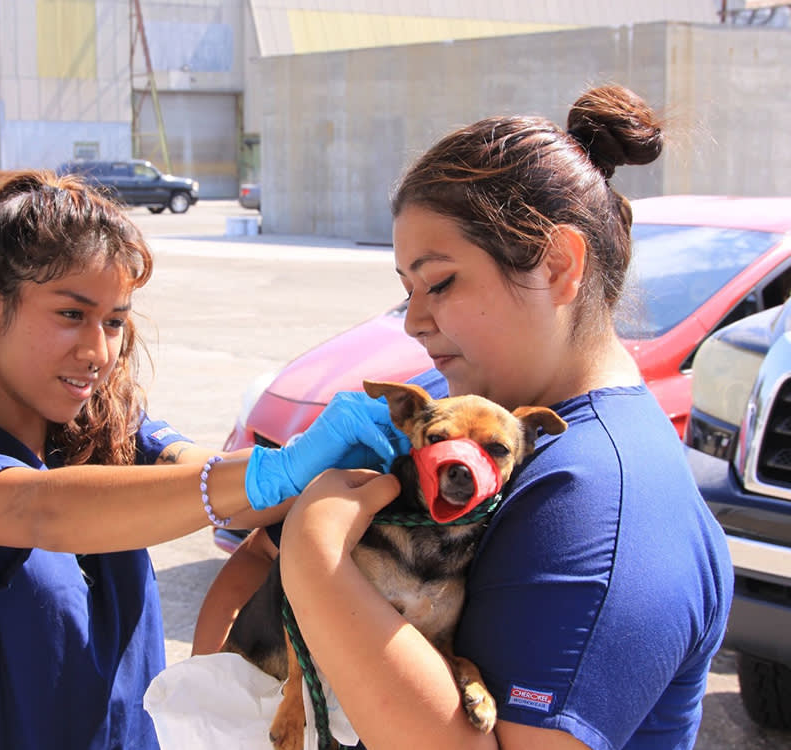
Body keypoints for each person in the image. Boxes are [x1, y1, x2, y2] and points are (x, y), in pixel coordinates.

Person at [196, 85, 734, 750]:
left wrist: (315, 556)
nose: (414, 321)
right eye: (406, 290)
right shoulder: (473, 417)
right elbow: (238, 594)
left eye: (440, 282)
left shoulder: (595, 501)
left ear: (559, 266)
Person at [0, 169, 410, 750]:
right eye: (71, 315)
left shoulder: (108, 430)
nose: (98, 352)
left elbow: (215, 485)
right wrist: (271, 472)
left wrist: (323, 469)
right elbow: (36, 509)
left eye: (115, 322)